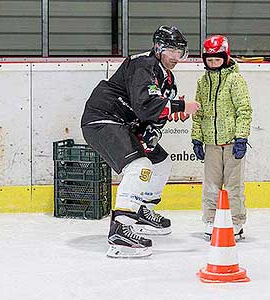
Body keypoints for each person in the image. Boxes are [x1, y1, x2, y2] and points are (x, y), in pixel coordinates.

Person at [81, 25, 200, 258]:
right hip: (103, 119)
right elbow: (145, 105)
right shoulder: (143, 65)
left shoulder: (167, 77)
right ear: (158, 48)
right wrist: (181, 106)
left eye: (180, 52)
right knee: (139, 168)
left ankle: (142, 210)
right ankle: (121, 230)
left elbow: (153, 116)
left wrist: (151, 133)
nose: (176, 57)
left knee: (161, 163)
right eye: (171, 51)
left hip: (125, 124)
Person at [191, 35, 253, 241]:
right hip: (211, 142)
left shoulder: (235, 80)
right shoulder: (202, 82)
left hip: (233, 142)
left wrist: (242, 137)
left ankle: (236, 222)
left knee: (234, 185)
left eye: (217, 59)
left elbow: (244, 110)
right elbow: (199, 113)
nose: (213, 63)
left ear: (225, 58)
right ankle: (210, 219)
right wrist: (197, 138)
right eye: (209, 59)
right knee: (211, 185)